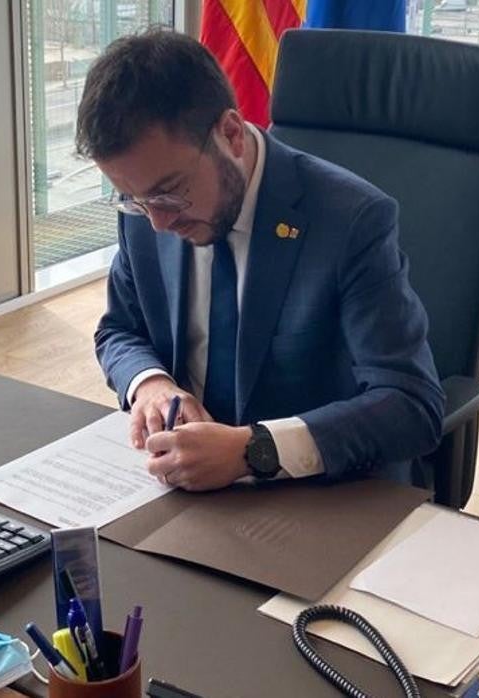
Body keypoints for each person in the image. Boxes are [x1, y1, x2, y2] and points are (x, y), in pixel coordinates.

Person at [80, 30, 444, 492]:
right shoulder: (145, 209)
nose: (157, 222)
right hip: (182, 484)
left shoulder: (352, 220)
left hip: (315, 493)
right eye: (134, 199)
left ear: (231, 134)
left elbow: (411, 404)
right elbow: (119, 330)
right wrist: (150, 384)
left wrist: (253, 450)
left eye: (169, 192)